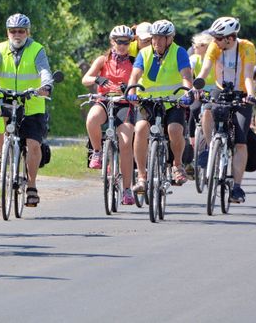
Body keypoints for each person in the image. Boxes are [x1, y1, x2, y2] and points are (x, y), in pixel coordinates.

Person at [0, 13, 54, 207]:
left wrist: (46, 86)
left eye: (21, 31)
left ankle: (31, 185)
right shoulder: (0, 48)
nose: (17, 34)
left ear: (27, 32)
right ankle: (0, 155)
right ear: (7, 32)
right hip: (5, 98)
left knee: (33, 145)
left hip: (32, 102)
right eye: (13, 31)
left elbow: (44, 71)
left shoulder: (36, 49)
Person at [127, 19, 193, 193]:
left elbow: (186, 76)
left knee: (174, 130)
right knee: (140, 129)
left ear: (170, 38)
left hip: (174, 102)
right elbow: (135, 75)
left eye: (161, 38)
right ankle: (142, 177)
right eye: (154, 38)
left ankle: (177, 165)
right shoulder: (145, 53)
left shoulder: (179, 52)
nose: (157, 42)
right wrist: (131, 91)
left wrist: (187, 92)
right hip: (147, 101)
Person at [196, 16, 256, 204]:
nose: (214, 41)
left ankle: (237, 188)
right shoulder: (215, 47)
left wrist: (251, 95)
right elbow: (205, 69)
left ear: (230, 38)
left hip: (242, 93)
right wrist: (197, 86)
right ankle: (209, 146)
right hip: (220, 90)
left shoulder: (247, 47)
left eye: (219, 38)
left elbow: (248, 75)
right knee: (207, 109)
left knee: (240, 141)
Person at [82, 25, 136, 205]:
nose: (122, 45)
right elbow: (86, 79)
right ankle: (97, 152)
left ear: (130, 43)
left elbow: (140, 83)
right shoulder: (103, 60)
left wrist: (129, 89)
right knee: (91, 119)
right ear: (112, 42)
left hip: (124, 104)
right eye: (119, 42)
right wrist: (97, 79)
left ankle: (127, 189)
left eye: (126, 42)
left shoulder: (135, 61)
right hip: (104, 101)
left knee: (126, 143)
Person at [188, 31, 215, 148]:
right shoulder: (194, 59)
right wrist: (191, 89)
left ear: (205, 46)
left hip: (215, 90)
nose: (194, 47)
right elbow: (188, 76)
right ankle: (192, 139)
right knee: (194, 109)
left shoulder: (215, 58)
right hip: (199, 89)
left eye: (197, 46)